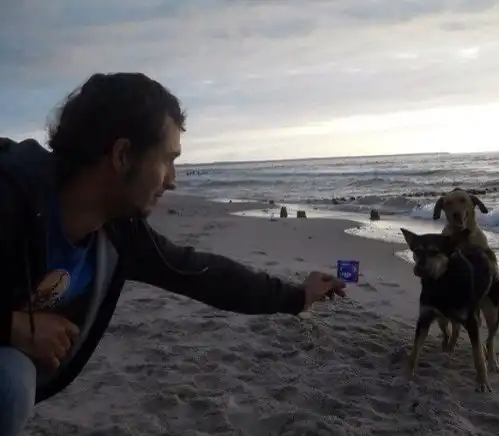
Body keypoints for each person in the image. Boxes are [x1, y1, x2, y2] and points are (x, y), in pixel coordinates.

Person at [0, 72, 347, 436]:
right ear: (122, 155)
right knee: (9, 382)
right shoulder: (9, 199)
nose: (173, 179)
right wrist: (13, 328)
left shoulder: (116, 233)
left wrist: (297, 296)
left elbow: (201, 274)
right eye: (167, 159)